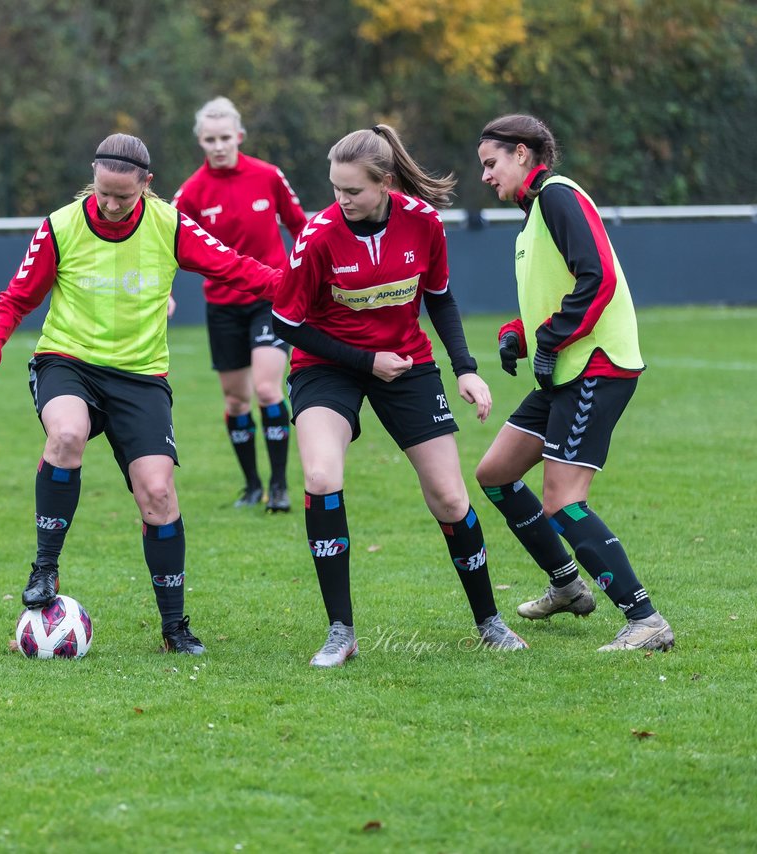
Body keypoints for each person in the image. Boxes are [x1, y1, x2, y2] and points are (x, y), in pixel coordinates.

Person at [0, 133, 280, 655]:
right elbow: (16, 297)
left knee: (157, 494)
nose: (109, 205)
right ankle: (45, 568)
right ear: (94, 177)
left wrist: (299, 287)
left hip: (140, 376)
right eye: (103, 192)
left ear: (147, 186)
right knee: (66, 434)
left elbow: (237, 268)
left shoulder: (169, 224)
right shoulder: (61, 226)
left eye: (123, 197)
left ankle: (175, 628)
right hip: (68, 361)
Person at [267, 124, 527, 667]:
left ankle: (489, 621)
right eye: (335, 189)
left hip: (407, 363)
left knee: (452, 499)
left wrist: (465, 369)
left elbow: (441, 300)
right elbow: (287, 323)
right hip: (327, 366)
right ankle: (341, 631)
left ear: (385, 182)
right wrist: (365, 361)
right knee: (320, 476)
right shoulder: (316, 236)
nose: (341, 200)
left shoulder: (424, 223)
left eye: (353, 191)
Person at [473, 114, 673, 651]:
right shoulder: (533, 214)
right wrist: (519, 334)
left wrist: (552, 339)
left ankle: (645, 620)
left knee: (563, 500)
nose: (486, 176)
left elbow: (598, 277)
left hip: (595, 365)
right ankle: (566, 585)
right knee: (495, 473)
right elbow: (553, 294)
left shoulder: (558, 195)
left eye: (491, 164)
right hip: (568, 366)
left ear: (522, 152)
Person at [171, 97, 307, 512]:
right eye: (210, 139)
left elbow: (303, 227)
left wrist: (309, 278)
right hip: (223, 305)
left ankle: (280, 488)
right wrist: (167, 292)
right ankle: (251, 487)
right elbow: (164, 241)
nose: (218, 145)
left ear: (240, 137)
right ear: (200, 141)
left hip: (271, 298)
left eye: (225, 137)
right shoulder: (192, 192)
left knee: (267, 388)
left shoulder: (268, 176)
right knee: (235, 401)